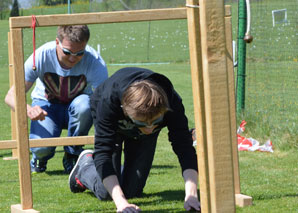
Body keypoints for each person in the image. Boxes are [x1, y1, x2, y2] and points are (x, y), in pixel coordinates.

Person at [69, 67, 200, 212]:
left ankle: (120, 175)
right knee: (106, 193)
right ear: (125, 111)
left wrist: (191, 194)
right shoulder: (108, 102)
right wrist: (121, 203)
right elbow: (103, 153)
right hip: (114, 123)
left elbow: (184, 148)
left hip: (138, 120)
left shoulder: (172, 102)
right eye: (142, 123)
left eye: (156, 122)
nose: (150, 129)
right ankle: (85, 166)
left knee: (132, 191)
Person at [4, 25, 108, 174]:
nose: (73, 58)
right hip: (46, 107)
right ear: (57, 42)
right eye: (67, 52)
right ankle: (39, 158)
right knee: (41, 148)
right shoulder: (40, 56)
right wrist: (29, 110)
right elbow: (10, 96)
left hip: (77, 108)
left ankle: (73, 153)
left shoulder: (95, 61)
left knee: (86, 104)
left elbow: (104, 101)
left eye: (80, 53)